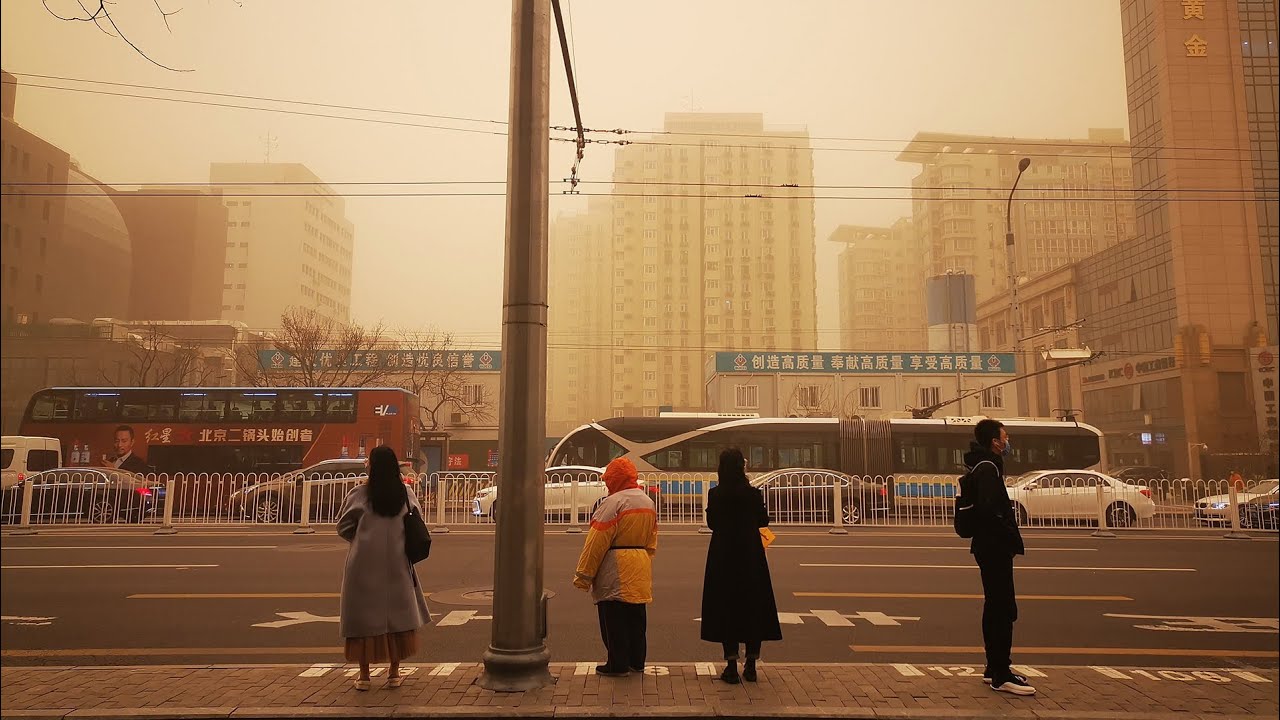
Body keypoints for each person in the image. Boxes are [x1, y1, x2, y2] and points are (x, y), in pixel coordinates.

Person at [337, 445, 429, 691]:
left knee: (363, 620)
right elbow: (417, 519)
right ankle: (394, 673)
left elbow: (344, 527)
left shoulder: (359, 494)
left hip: (363, 563)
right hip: (397, 562)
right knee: (397, 618)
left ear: (373, 466)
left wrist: (363, 539)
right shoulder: (405, 493)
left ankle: (365, 676)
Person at [963, 419, 1034, 696]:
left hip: (987, 546)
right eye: (1005, 436)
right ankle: (1001, 674)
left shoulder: (983, 466)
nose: (1008, 440)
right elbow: (990, 511)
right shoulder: (989, 469)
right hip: (994, 548)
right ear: (995, 441)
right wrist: (1006, 535)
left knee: (995, 606)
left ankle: (994, 668)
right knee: (1002, 608)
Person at [700, 448, 781, 684]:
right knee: (752, 605)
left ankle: (731, 666)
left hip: (723, 557)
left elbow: (712, 523)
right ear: (741, 467)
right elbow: (763, 521)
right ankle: (752, 665)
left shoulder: (715, 494)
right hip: (750, 556)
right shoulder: (753, 494)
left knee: (727, 607)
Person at [573, 457, 658, 676]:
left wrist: (584, 576)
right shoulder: (648, 502)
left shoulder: (612, 504)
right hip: (640, 563)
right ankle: (637, 661)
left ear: (614, 479)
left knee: (614, 619)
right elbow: (652, 539)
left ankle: (617, 664)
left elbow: (596, 542)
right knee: (637, 618)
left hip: (615, 565)